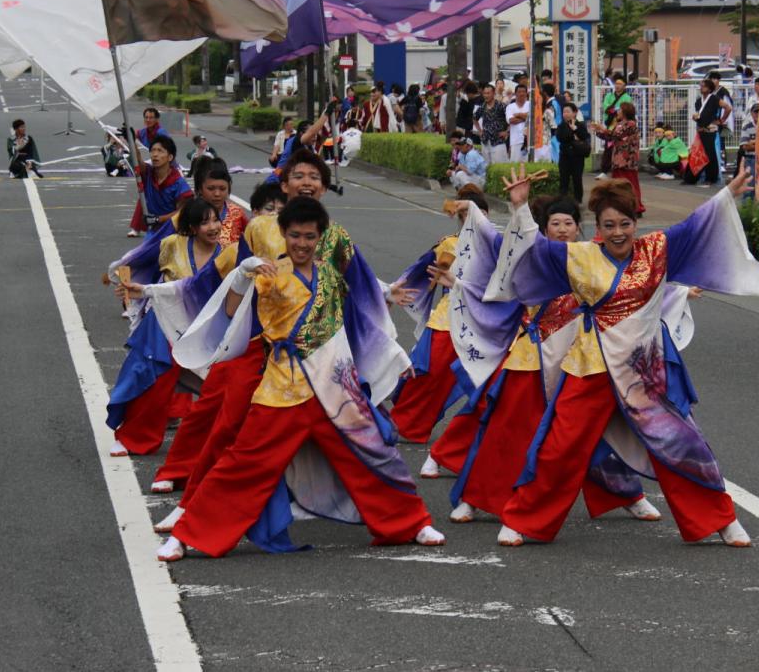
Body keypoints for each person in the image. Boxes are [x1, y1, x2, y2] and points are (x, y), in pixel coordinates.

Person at [488, 167, 759, 548]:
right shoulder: (580, 256)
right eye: (608, 225)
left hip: (642, 374)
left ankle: (719, 519)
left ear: (637, 220)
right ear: (597, 226)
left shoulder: (657, 249)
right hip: (590, 368)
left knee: (681, 444)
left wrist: (726, 197)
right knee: (559, 447)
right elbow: (533, 251)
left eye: (625, 223)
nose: (618, 232)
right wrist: (519, 207)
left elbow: (695, 225)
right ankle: (524, 520)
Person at [157, 197, 444, 561]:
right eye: (295, 235)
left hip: (335, 386)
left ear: (319, 237)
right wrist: (242, 277)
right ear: (284, 235)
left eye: (310, 236)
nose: (302, 243)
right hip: (283, 388)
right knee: (243, 463)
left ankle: (411, 522)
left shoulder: (330, 276)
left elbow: (355, 323)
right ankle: (187, 535)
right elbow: (230, 311)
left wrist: (393, 356)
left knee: (374, 455)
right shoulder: (269, 273)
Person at [443, 195, 664, 525]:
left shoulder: (596, 259)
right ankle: (476, 499)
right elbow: (499, 263)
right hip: (532, 356)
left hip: (584, 359)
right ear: (544, 229)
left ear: (579, 227)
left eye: (569, 223)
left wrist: (682, 293)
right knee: (507, 429)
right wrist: (503, 210)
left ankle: (627, 495)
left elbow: (638, 291)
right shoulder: (536, 259)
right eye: (555, 224)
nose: (562, 230)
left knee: (593, 432)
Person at [106, 197, 231, 456]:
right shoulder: (171, 244)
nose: (212, 227)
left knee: (219, 387)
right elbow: (147, 265)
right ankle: (134, 437)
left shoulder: (227, 255)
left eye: (215, 219)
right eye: (204, 222)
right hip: (163, 322)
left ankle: (219, 440)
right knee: (151, 377)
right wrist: (129, 283)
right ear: (192, 227)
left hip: (203, 328)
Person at [390, 186, 489, 446]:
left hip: (486, 323)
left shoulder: (498, 247)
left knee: (487, 384)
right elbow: (420, 272)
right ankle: (406, 425)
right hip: (449, 318)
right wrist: (392, 291)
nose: (472, 220)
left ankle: (474, 441)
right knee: (429, 375)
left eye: (477, 214)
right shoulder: (448, 244)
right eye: (465, 215)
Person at [590, 100, 645, 217]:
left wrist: (602, 128)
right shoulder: (620, 124)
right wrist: (598, 131)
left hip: (627, 159)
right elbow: (610, 136)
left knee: (629, 183)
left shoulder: (630, 124)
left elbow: (615, 135)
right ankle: (622, 205)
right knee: (618, 184)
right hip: (619, 159)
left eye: (620, 109)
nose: (617, 111)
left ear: (625, 111)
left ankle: (636, 207)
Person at [133, 135, 193, 235]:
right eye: (152, 150)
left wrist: (158, 219)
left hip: (173, 233)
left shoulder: (178, 183)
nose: (155, 154)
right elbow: (137, 160)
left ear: (170, 157)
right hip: (153, 233)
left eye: (160, 151)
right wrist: (131, 140)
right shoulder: (147, 173)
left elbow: (183, 212)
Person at [685, 78, 722, 186]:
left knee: (710, 155)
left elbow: (727, 107)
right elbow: (699, 114)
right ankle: (693, 177)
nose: (701, 88)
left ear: (709, 88)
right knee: (697, 153)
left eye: (704, 86)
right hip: (701, 130)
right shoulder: (698, 101)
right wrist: (695, 117)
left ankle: (711, 178)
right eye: (701, 86)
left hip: (710, 131)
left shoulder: (714, 99)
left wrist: (721, 120)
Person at [555, 103, 591, 202]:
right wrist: (573, 135)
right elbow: (561, 138)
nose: (565, 114)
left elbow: (584, 136)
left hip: (577, 157)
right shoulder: (561, 125)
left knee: (577, 179)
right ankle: (562, 200)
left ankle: (578, 200)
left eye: (568, 111)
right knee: (564, 179)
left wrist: (575, 129)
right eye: (564, 112)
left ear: (574, 113)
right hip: (565, 157)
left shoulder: (580, 125)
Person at [475, 83, 510, 164]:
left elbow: (510, 120)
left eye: (488, 93)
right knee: (486, 166)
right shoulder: (482, 106)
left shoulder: (501, 106)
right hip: (485, 140)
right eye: (484, 93)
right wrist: (480, 131)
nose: (486, 95)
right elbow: (474, 119)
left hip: (498, 141)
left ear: (493, 93)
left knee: (499, 165)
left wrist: (506, 132)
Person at [505, 84, 530, 163]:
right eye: (519, 92)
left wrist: (518, 114)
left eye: (523, 92)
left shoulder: (530, 104)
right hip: (516, 140)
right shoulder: (510, 107)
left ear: (526, 93)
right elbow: (511, 120)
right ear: (515, 94)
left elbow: (532, 118)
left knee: (529, 164)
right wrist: (526, 117)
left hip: (529, 140)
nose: (521, 94)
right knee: (515, 164)